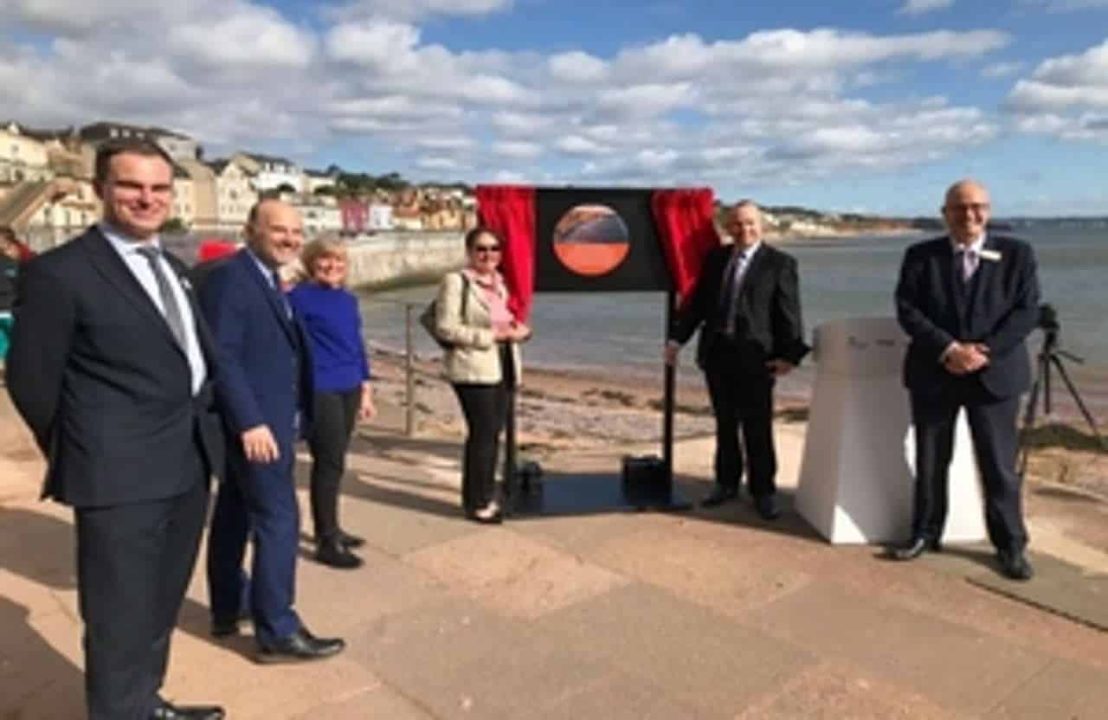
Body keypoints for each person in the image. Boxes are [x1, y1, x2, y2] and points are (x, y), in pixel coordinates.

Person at [5, 138, 224, 719]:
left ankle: (144, 703)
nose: (146, 199)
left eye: (158, 188)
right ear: (100, 189)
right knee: (118, 616)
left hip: (189, 461)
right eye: (131, 186)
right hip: (117, 472)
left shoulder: (173, 268)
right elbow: (30, 380)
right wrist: (87, 449)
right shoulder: (61, 272)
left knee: (158, 605)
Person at [200, 199, 346, 661]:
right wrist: (250, 420)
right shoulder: (232, 279)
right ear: (251, 230)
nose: (290, 239)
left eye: (296, 232)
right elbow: (222, 356)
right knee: (280, 520)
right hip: (257, 426)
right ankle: (278, 629)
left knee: (234, 513)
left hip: (267, 418)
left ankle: (228, 606)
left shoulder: (265, 279)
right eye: (279, 230)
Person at [891, 179, 1040, 581]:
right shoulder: (920, 256)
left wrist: (982, 352)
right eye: (959, 208)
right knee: (931, 459)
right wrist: (950, 349)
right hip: (934, 372)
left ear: (988, 211)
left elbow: (1026, 312)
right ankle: (925, 533)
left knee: (998, 466)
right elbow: (907, 309)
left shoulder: (1017, 254)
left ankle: (1010, 545)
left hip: (995, 377)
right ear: (945, 214)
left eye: (977, 207)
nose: (969, 215)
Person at [666, 200, 809, 520]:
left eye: (750, 223)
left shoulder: (779, 263)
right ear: (728, 228)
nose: (744, 229)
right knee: (725, 424)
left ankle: (764, 491)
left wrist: (790, 355)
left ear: (761, 225)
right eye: (737, 224)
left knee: (757, 427)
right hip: (717, 355)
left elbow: (789, 313)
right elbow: (699, 305)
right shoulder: (716, 259)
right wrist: (677, 339)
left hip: (757, 359)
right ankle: (726, 483)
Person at [432, 227, 530, 523]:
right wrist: (492, 337)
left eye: (494, 249)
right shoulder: (456, 281)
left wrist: (518, 332)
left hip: (503, 363)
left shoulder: (499, 283)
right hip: (473, 367)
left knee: (491, 434)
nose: (488, 255)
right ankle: (478, 502)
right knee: (483, 435)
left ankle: (481, 493)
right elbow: (445, 327)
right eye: (481, 249)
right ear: (470, 251)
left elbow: (504, 320)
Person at [288, 238, 375, 569]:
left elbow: (356, 345)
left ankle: (333, 527)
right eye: (324, 260)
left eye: (338, 261)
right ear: (311, 262)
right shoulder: (297, 299)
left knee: (337, 460)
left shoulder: (348, 300)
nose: (332, 266)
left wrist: (366, 389)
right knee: (329, 462)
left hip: (350, 385)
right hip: (320, 387)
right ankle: (327, 540)